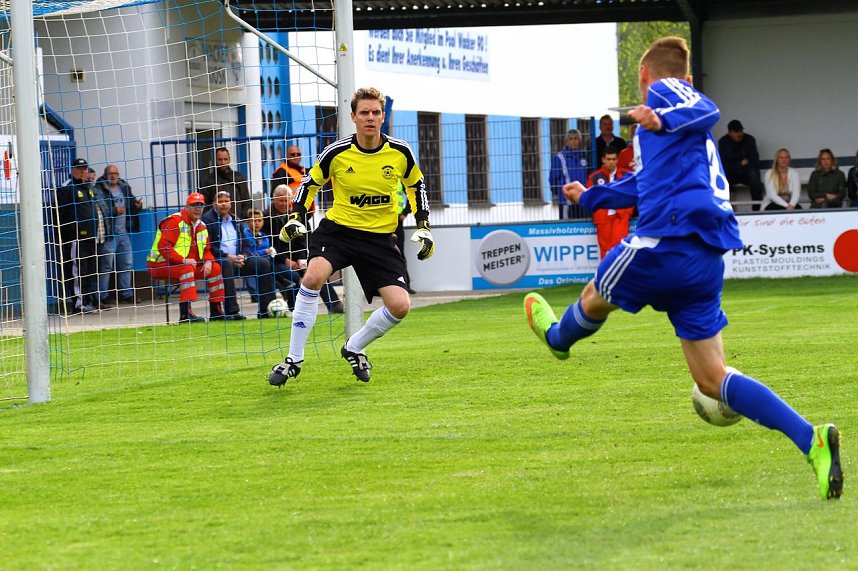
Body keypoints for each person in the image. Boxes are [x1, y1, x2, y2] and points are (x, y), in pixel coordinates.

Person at [524, 36, 842, 500]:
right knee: (712, 377)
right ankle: (810, 440)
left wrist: (661, 111)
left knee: (595, 296)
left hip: (661, 244)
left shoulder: (666, 95)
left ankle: (557, 340)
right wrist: (588, 196)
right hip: (705, 258)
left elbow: (707, 108)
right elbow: (643, 185)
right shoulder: (685, 147)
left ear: (645, 76)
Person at [268, 86, 434, 386]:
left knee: (400, 306)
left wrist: (423, 225)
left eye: (375, 113)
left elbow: (416, 186)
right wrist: (296, 217)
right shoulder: (337, 152)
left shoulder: (399, 152)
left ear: (383, 116)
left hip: (380, 239)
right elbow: (309, 184)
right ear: (353, 117)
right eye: (364, 113)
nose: (370, 118)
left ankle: (354, 346)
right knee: (313, 277)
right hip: (339, 232)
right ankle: (293, 360)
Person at [262, 184, 343, 314]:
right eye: (280, 200)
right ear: (273, 199)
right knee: (293, 276)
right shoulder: (265, 217)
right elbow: (270, 243)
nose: (283, 203)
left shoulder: (296, 216)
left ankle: (335, 306)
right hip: (275, 260)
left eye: (286, 200)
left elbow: (302, 240)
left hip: (296, 258)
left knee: (316, 272)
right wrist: (286, 260)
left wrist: (301, 260)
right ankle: (297, 310)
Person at [146, 192, 226, 323]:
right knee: (187, 268)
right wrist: (183, 260)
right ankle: (186, 314)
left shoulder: (201, 226)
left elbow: (207, 250)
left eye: (200, 205)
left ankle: (216, 310)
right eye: (194, 205)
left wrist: (208, 261)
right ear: (186, 207)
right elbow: (164, 248)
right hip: (160, 265)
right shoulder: (174, 221)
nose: (198, 209)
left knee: (215, 268)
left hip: (185, 266)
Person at [201, 191, 276, 319]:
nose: (224, 204)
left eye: (226, 201)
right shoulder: (207, 220)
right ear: (214, 204)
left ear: (231, 203)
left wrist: (243, 256)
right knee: (227, 264)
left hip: (239, 259)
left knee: (263, 263)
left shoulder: (236, 220)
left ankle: (266, 309)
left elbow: (246, 244)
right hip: (219, 260)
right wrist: (228, 256)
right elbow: (209, 246)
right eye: (220, 201)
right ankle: (232, 312)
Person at [55, 157, 100, 314]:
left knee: (89, 270)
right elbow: (59, 213)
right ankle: (78, 304)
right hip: (75, 237)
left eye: (85, 169)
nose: (83, 172)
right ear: (73, 170)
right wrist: (64, 235)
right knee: (77, 270)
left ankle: (87, 301)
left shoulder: (87, 187)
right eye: (80, 169)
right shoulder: (67, 188)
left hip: (90, 237)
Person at [94, 165, 143, 303]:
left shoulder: (123, 186)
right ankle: (103, 296)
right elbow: (100, 209)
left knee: (127, 263)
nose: (113, 176)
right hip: (109, 233)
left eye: (116, 173)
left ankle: (125, 293)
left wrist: (136, 205)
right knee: (106, 265)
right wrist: (115, 210)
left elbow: (130, 201)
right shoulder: (99, 189)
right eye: (110, 173)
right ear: (105, 175)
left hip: (124, 232)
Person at [586, 146, 633, 258]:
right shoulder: (594, 177)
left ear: (617, 160)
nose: (611, 162)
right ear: (603, 159)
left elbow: (632, 195)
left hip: (620, 218)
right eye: (608, 159)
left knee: (620, 250)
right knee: (605, 251)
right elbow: (590, 198)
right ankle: (607, 275)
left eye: (613, 159)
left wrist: (626, 213)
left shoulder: (626, 176)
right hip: (603, 218)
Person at [718, 119, 764, 210]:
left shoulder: (750, 140)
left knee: (754, 175)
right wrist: (739, 164)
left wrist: (736, 165)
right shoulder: (723, 142)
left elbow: (754, 160)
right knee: (722, 177)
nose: (740, 134)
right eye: (736, 132)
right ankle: (725, 209)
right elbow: (723, 164)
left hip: (746, 173)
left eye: (741, 131)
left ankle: (757, 210)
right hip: (731, 173)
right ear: (730, 133)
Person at [199, 147, 252, 218]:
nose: (223, 162)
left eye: (225, 159)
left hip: (237, 221)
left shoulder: (238, 177)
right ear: (215, 160)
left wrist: (242, 219)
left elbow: (246, 201)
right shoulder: (209, 180)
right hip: (216, 222)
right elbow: (205, 204)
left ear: (229, 160)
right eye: (220, 160)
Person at [548, 129, 590, 219]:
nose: (573, 141)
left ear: (580, 140)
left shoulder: (584, 156)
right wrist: (561, 193)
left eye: (576, 138)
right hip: (567, 201)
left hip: (583, 199)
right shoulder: (559, 158)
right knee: (567, 227)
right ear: (566, 141)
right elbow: (553, 179)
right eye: (571, 139)